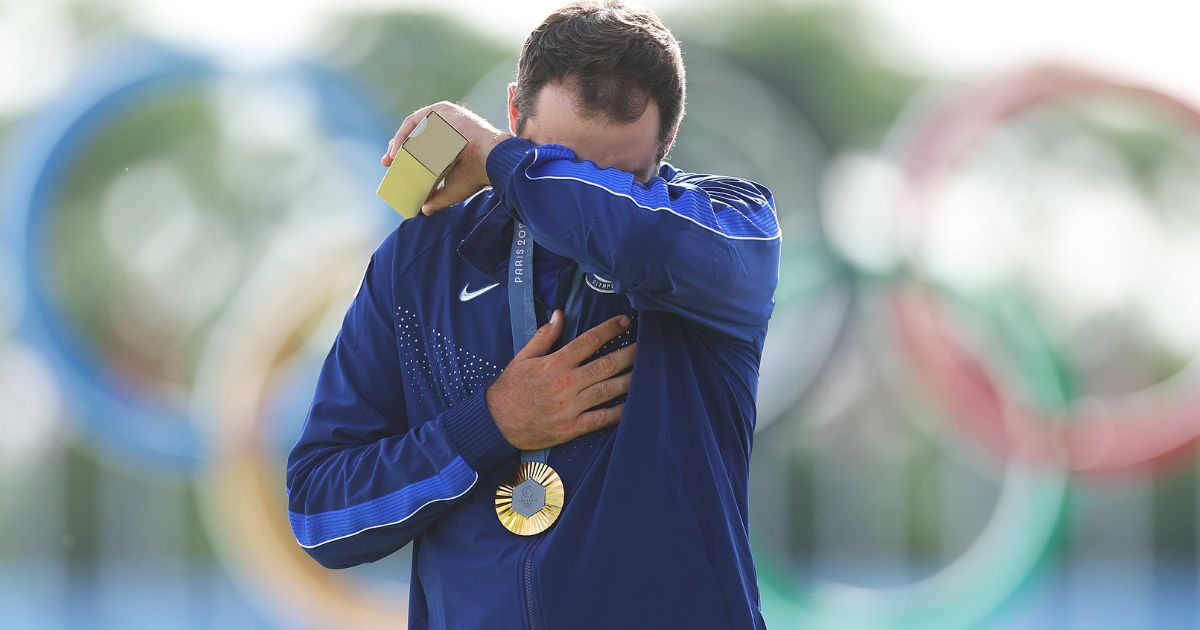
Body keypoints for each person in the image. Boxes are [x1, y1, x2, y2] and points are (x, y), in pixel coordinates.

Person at [285, 1, 780, 628]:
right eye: (559, 157)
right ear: (516, 111)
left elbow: (633, 237)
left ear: (668, 141)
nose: (578, 189)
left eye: (617, 175)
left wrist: (505, 159)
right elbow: (320, 513)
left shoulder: (728, 232)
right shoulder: (419, 262)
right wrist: (487, 425)